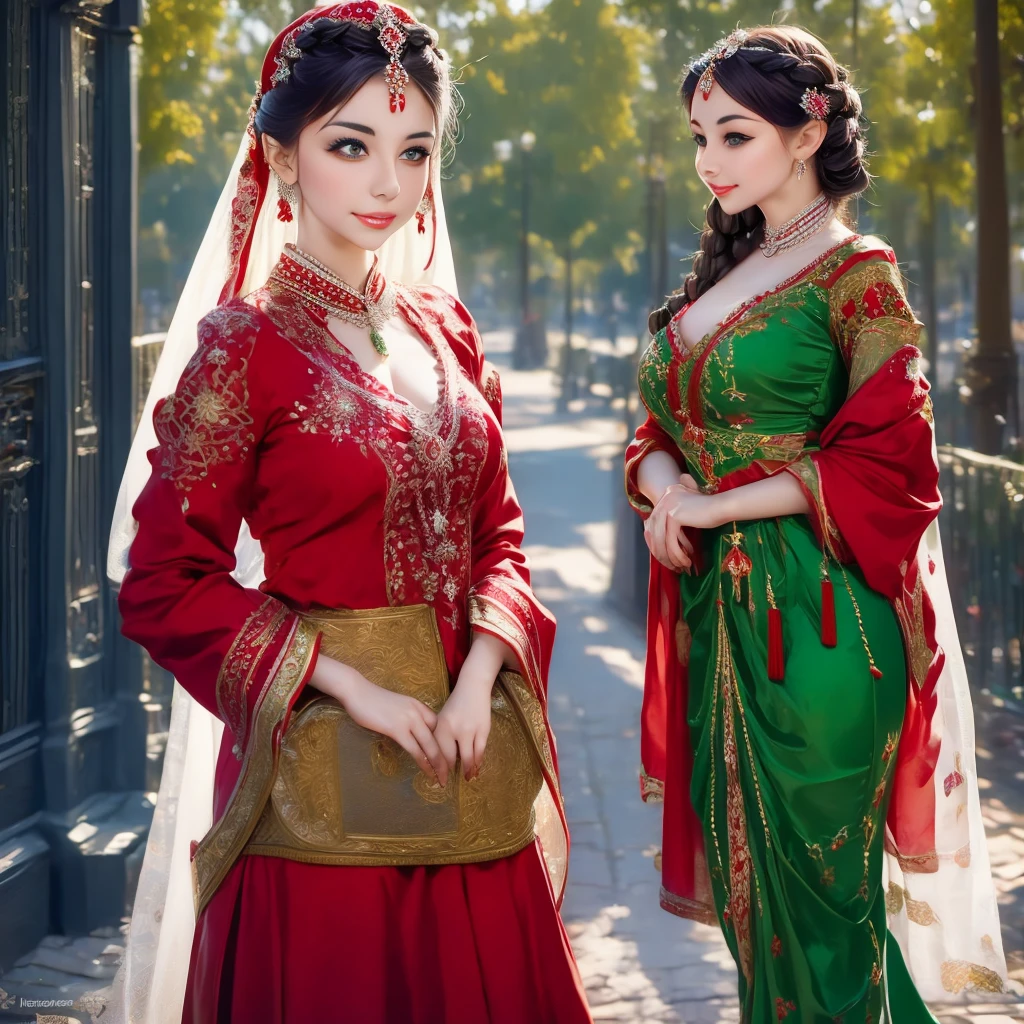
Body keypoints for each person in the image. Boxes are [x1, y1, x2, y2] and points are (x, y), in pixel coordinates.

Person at [107, 5, 592, 1022]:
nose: (387, 182)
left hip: (468, 768)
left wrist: (473, 681)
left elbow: (497, 536)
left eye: (413, 151)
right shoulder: (242, 351)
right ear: (281, 158)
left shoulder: (444, 330)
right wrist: (347, 687)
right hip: (318, 793)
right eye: (350, 145)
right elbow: (162, 584)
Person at [625, 25, 1008, 1023]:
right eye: (699, 137)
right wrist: (668, 487)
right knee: (756, 916)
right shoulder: (722, 272)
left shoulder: (857, 275)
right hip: (719, 623)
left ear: (809, 131)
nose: (708, 161)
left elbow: (891, 464)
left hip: (825, 625)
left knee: (826, 914)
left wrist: (710, 502)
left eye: (734, 135)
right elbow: (656, 430)